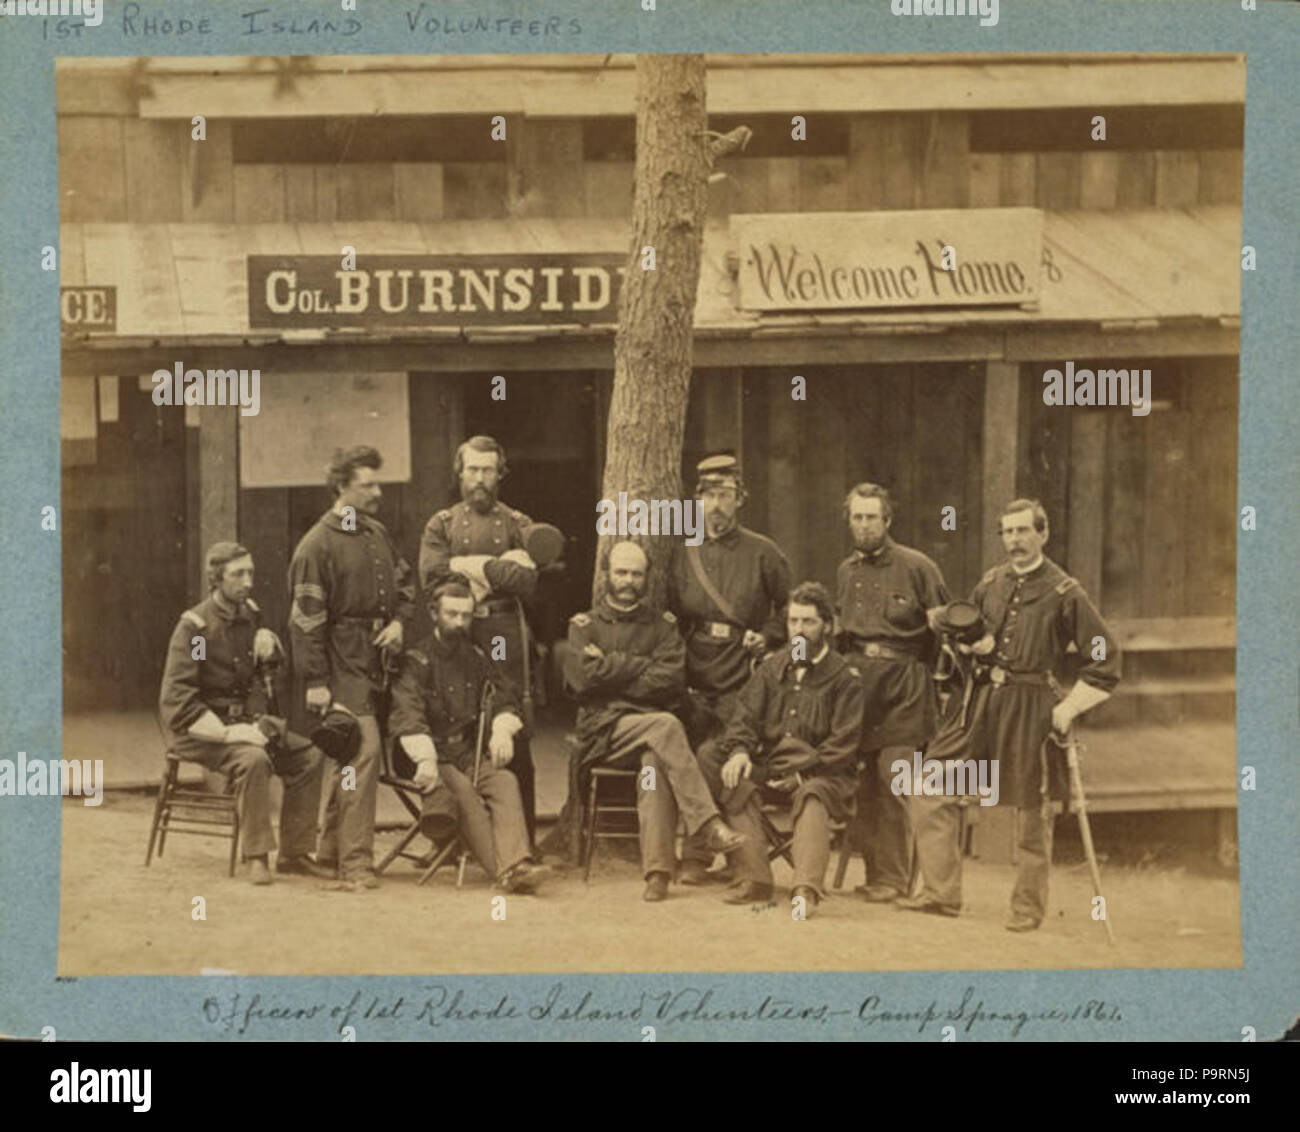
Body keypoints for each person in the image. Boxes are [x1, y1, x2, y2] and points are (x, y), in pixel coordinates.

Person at [905, 499, 1121, 931]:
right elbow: (970, 639)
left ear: (1043, 534)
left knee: (1029, 810)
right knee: (929, 783)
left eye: (1023, 531)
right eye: (1007, 532)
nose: (1015, 541)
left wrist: (1069, 707)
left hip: (1032, 704)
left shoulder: (1065, 592)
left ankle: (1026, 908)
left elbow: (1106, 660)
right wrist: (970, 647)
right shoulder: (992, 582)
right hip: (983, 700)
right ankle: (941, 893)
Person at [564, 540, 745, 902]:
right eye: (621, 572)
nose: (628, 580)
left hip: (651, 737)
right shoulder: (585, 626)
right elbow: (581, 680)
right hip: (605, 733)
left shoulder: (663, 626)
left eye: (636, 573)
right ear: (606, 575)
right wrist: (640, 667)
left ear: (647, 577)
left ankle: (658, 872)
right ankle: (707, 824)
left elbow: (671, 679)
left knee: (655, 764)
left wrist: (610, 665)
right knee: (665, 725)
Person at [159, 542, 327, 885]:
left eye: (250, 572)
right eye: (238, 574)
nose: (248, 581)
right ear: (216, 578)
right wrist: (229, 732)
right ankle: (256, 856)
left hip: (243, 724)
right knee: (254, 760)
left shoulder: (250, 615)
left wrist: (268, 647)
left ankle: (294, 853)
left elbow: (258, 680)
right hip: (200, 731)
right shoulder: (197, 631)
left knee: (309, 755)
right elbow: (180, 696)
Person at [288, 445, 415, 892]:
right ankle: (355, 865)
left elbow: (406, 585)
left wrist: (399, 623)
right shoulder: (315, 546)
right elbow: (305, 621)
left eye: (378, 483)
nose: (378, 492)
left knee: (350, 757)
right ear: (341, 487)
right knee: (363, 754)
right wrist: (317, 681)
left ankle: (329, 851)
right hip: (341, 662)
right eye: (368, 485)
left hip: (380, 661)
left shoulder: (377, 533)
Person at [696, 582, 866, 915]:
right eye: (793, 622)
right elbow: (744, 717)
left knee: (812, 794)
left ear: (828, 626)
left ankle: (805, 889)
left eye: (809, 622)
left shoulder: (845, 678)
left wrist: (803, 776)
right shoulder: (771, 668)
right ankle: (754, 878)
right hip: (772, 767)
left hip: (824, 774)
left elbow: (843, 744)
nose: (799, 631)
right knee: (720, 764)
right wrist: (740, 751)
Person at [669, 452, 791, 884]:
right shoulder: (681, 551)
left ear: (740, 498)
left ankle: (713, 857)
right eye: (708, 495)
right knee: (691, 763)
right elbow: (668, 614)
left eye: (725, 495)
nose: (716, 504)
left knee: (725, 760)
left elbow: (790, 608)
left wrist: (770, 635)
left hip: (743, 673)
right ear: (696, 501)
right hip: (693, 672)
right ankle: (702, 855)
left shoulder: (764, 552)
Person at [419, 436, 547, 846]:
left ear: (500, 474)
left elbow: (528, 580)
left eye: (487, 470)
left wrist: (469, 565)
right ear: (459, 473)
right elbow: (435, 578)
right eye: (472, 469)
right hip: (459, 632)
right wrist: (498, 569)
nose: (479, 479)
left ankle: (520, 839)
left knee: (511, 727)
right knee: (457, 723)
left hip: (503, 635)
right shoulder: (441, 524)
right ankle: (456, 839)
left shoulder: (516, 522)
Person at [388, 576, 549, 893]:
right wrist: (425, 758)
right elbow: (408, 714)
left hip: (466, 753)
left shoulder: (477, 657)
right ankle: (506, 872)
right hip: (426, 756)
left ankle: (518, 862)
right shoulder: (415, 660)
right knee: (463, 791)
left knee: (505, 780)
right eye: (452, 614)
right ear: (434, 614)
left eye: (466, 615)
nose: (459, 623)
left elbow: (504, 694)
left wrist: (502, 728)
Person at [835, 483, 950, 904]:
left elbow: (944, 633)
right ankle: (876, 875)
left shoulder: (918, 567)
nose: (864, 526)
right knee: (863, 780)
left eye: (871, 517)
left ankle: (895, 876)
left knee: (894, 774)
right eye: (857, 517)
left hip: (905, 687)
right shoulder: (846, 571)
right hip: (859, 685)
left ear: (887, 521)